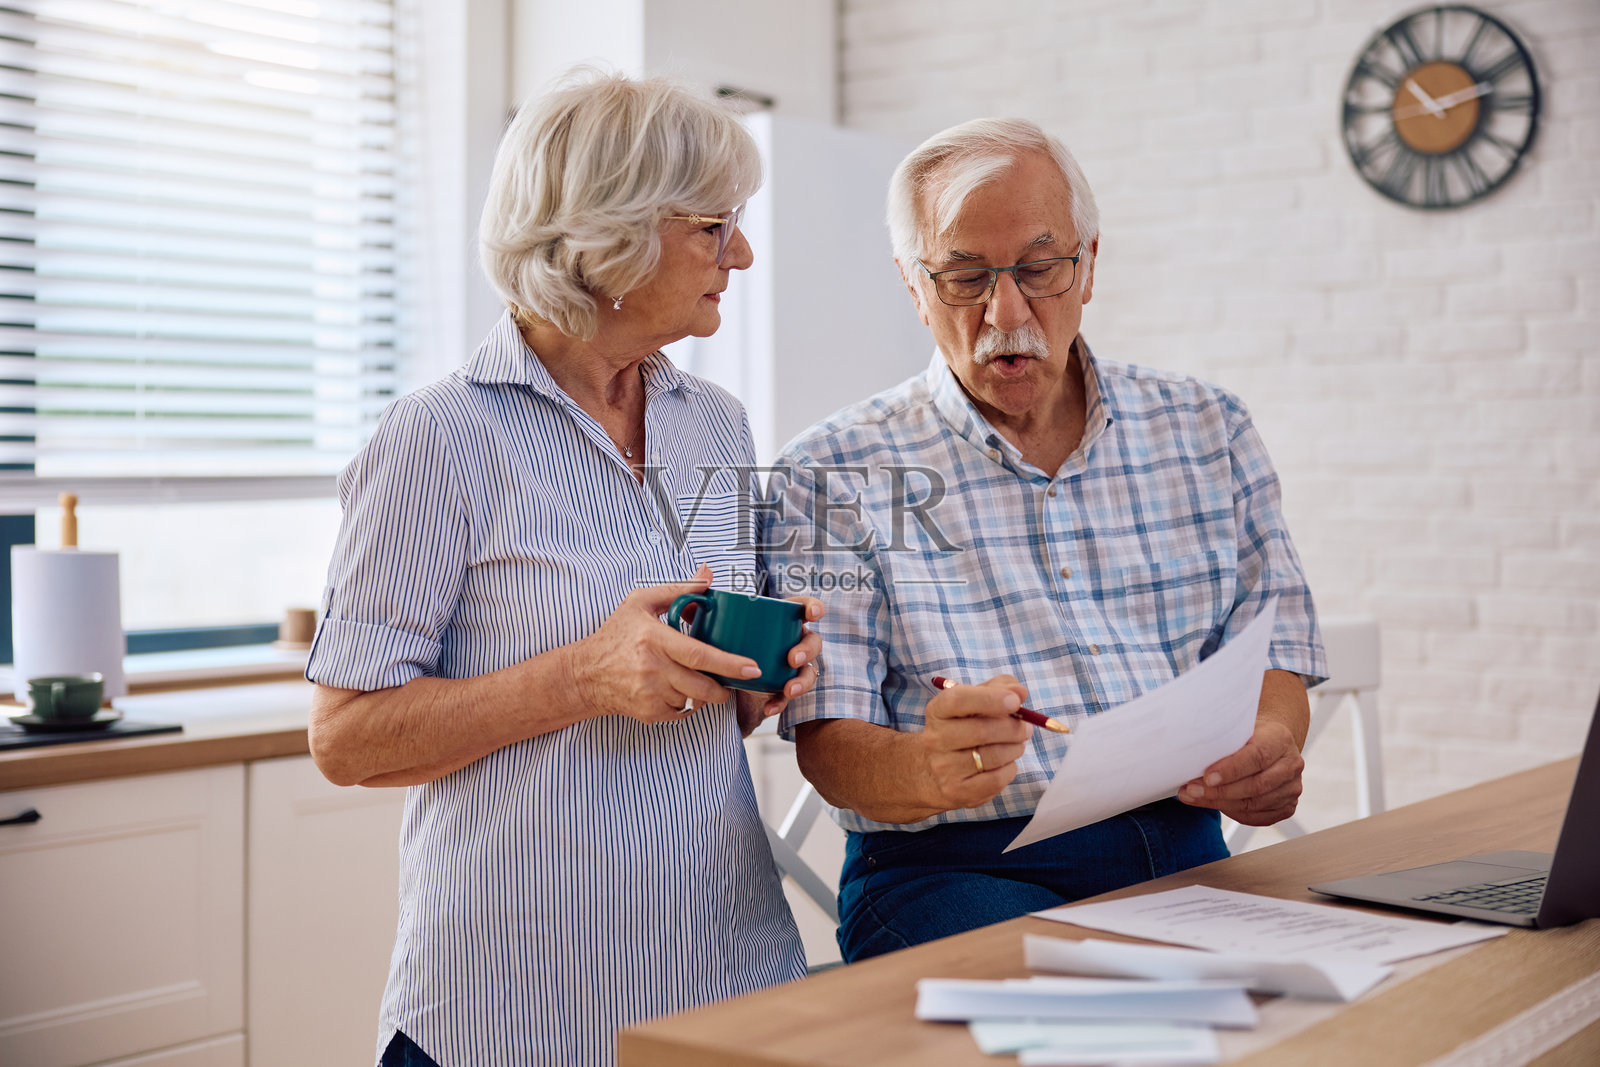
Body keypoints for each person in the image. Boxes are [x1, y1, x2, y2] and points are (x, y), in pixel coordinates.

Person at [305, 71, 823, 1067]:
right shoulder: (439, 436)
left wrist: (765, 674)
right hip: (512, 1006)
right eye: (713, 225)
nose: (742, 253)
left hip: (728, 975)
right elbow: (347, 739)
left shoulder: (715, 420)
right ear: (609, 235)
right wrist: (583, 675)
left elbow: (713, 686)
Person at [760, 118, 1326, 963]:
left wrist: (1273, 744)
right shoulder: (829, 470)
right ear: (914, 288)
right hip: (950, 871)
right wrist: (924, 768)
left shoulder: (1207, 427)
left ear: (1089, 263)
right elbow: (829, 743)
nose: (1007, 311)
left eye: (1038, 267)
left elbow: (1274, 646)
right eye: (963, 277)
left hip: (1185, 857)